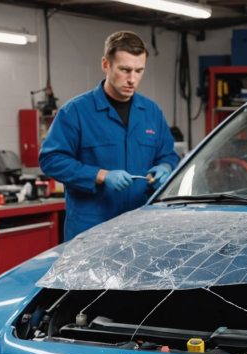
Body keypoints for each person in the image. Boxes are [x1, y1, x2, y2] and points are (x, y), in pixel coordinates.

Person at [40, 31, 179, 241]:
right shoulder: (75, 112)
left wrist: (166, 168)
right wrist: (101, 175)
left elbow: (168, 154)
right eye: (125, 70)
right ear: (106, 65)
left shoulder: (152, 113)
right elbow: (51, 160)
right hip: (91, 232)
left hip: (141, 229)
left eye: (139, 71)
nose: (132, 79)